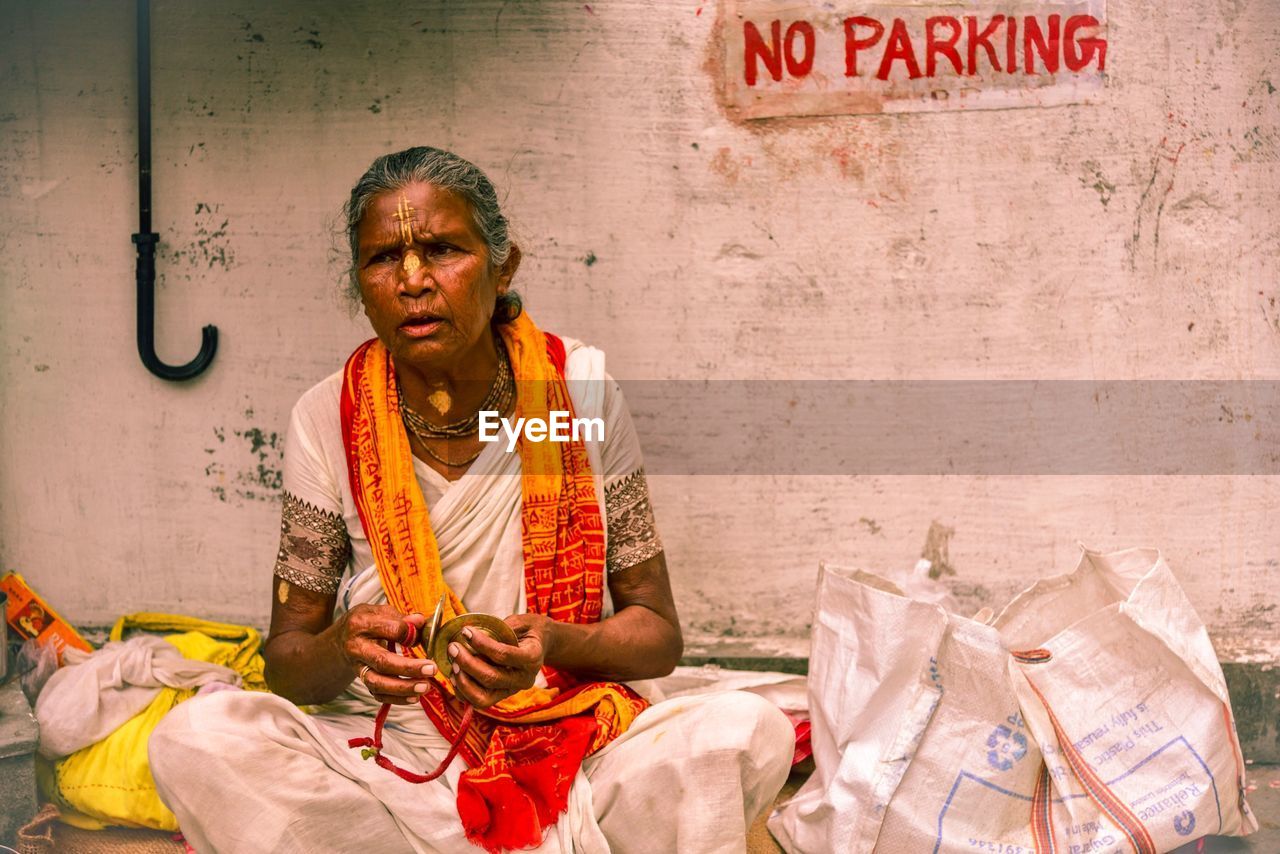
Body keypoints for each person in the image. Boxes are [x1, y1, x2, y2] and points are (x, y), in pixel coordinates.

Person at [148, 146, 794, 853]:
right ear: (359, 283)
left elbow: (658, 635)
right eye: (382, 259)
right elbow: (289, 661)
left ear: (502, 264)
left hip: (560, 730)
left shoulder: (570, 397)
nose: (413, 281)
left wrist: (554, 642)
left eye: (443, 249)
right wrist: (345, 645)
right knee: (197, 740)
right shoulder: (328, 415)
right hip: (390, 750)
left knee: (741, 731)